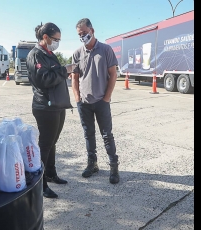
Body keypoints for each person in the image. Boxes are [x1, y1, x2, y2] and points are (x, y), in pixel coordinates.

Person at [26, 22, 73, 198]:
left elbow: (55, 75)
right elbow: (43, 79)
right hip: (45, 107)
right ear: (45, 37)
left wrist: (66, 70)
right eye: (55, 39)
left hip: (57, 106)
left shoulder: (49, 54)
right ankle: (41, 183)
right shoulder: (35, 55)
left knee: (52, 142)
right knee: (45, 145)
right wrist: (64, 70)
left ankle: (51, 174)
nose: (57, 42)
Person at [70, 18, 120, 184]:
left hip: (101, 101)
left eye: (84, 33)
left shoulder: (105, 50)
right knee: (88, 134)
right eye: (80, 34)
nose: (82, 36)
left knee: (107, 135)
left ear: (92, 31)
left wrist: (106, 98)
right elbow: (74, 78)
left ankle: (114, 167)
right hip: (84, 103)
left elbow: (113, 74)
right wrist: (77, 98)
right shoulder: (77, 53)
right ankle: (92, 164)